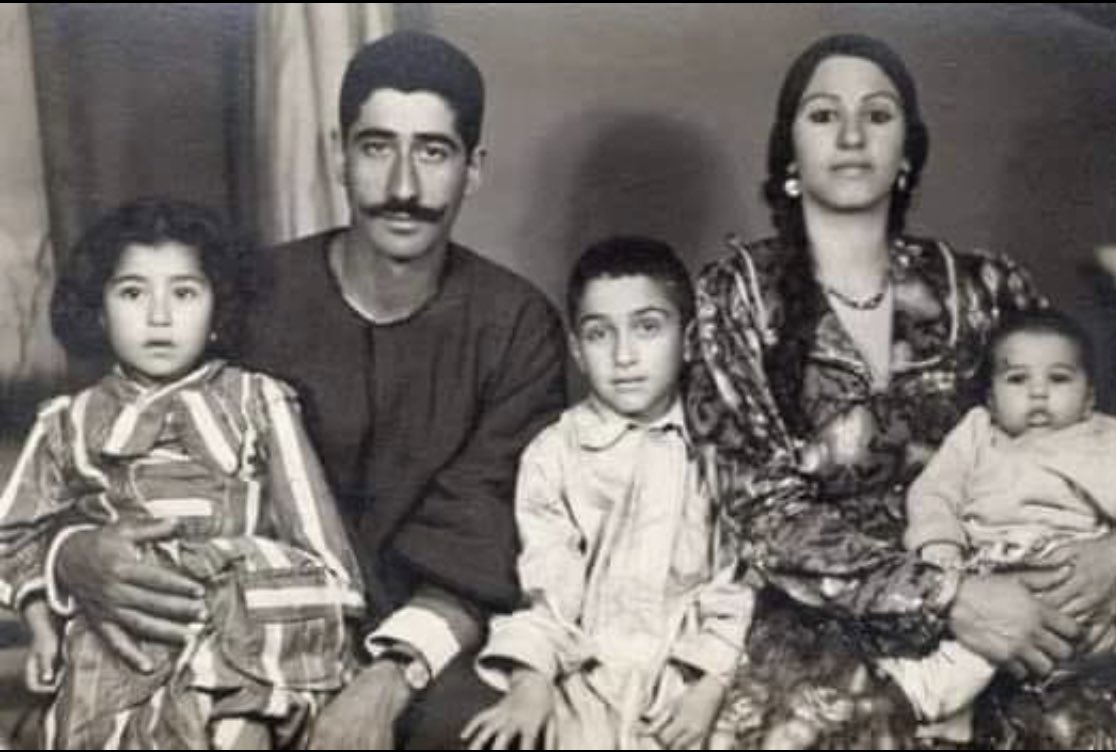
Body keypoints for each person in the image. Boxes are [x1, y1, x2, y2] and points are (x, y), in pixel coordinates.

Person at [46, 31, 567, 750]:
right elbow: (105, 437)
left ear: (472, 170)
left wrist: (383, 683)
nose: (405, 187)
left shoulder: (517, 327)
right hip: (237, 627)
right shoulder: (244, 297)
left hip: (430, 642)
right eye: (377, 147)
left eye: (434, 153)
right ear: (337, 154)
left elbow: (484, 538)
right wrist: (76, 554)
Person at [683, 33, 1116, 749]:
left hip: (1000, 604)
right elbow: (761, 513)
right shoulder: (738, 294)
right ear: (789, 152)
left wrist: (1114, 547)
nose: (854, 135)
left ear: (907, 151)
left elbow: (1087, 447)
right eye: (824, 115)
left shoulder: (988, 289)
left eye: (879, 114)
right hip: (819, 618)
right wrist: (947, 598)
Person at [0, 198, 365, 749]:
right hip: (119, 638)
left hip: (242, 634)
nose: (159, 317)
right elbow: (12, 537)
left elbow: (326, 558)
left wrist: (229, 590)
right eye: (132, 293)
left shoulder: (257, 401)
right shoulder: (68, 422)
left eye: (185, 293)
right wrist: (42, 623)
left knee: (241, 726)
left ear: (218, 311)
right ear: (98, 311)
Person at [460, 237, 754, 751]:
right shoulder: (554, 455)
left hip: (695, 681)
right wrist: (531, 682)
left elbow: (738, 583)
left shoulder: (721, 448)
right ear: (577, 349)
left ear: (688, 341)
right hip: (588, 682)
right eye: (600, 335)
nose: (624, 356)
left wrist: (710, 687)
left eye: (647, 328)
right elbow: (548, 586)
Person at [883, 309, 1116, 743]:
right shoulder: (977, 432)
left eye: (1058, 379)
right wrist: (938, 541)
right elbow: (935, 491)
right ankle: (950, 709)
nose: (1038, 393)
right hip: (985, 567)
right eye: (1017, 380)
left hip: (1063, 571)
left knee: (1013, 645)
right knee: (974, 628)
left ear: (1089, 397)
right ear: (992, 398)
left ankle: (937, 694)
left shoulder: (1104, 440)